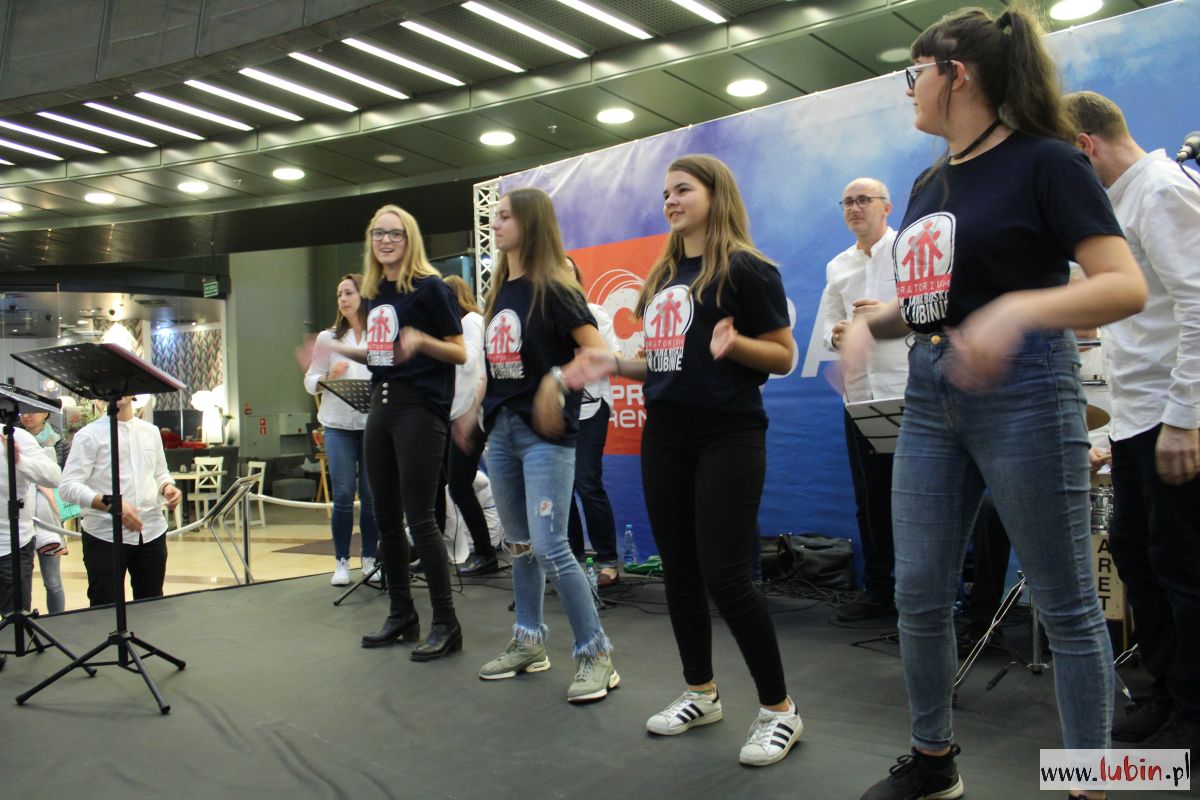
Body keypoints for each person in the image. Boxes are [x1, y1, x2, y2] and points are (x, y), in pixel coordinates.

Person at [839, 8, 1147, 799]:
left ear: (958, 75)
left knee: (1066, 605)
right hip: (931, 393)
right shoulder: (929, 182)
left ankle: (1088, 784)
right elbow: (935, 302)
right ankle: (933, 761)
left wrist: (1017, 311)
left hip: (1027, 393)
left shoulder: (1048, 161)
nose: (909, 89)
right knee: (918, 592)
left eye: (915, 73)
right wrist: (872, 324)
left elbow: (1124, 286)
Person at [566, 154, 802, 766]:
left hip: (728, 434)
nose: (670, 201)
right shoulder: (666, 277)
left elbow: (783, 355)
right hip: (665, 435)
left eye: (682, 190)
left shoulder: (747, 269)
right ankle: (701, 692)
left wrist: (737, 344)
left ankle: (780, 709)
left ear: (714, 194)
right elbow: (662, 363)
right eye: (666, 193)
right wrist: (612, 363)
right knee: (680, 570)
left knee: (726, 573)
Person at [1064, 90, 1200, 753]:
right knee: (1139, 559)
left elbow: (1199, 305)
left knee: (1184, 570)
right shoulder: (1123, 204)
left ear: (1084, 147)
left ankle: (1194, 713)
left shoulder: (1162, 190)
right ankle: (1167, 692)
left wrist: (1186, 419)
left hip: (1173, 418)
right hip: (1137, 420)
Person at [463, 186, 620, 704]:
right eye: (495, 215)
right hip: (503, 432)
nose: (495, 223)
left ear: (530, 224)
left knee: (552, 545)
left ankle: (596, 654)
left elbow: (596, 353)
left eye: (505, 216)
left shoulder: (555, 288)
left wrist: (556, 382)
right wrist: (472, 415)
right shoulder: (498, 293)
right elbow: (498, 368)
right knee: (520, 544)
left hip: (545, 436)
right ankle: (529, 642)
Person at [314, 205, 467, 661]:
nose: (385, 240)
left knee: (419, 517)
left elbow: (460, 352)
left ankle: (446, 622)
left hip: (419, 408)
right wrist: (341, 350)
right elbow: (383, 354)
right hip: (379, 407)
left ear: (409, 238)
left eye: (395, 233)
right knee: (383, 516)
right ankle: (402, 612)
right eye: (378, 233)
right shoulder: (375, 294)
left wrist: (424, 342)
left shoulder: (431, 288)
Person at [817, 177, 908, 621]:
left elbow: (933, 310)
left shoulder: (908, 250)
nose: (855, 208)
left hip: (908, 390)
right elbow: (827, 326)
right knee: (870, 498)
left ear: (886, 207)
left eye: (864, 200)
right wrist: (836, 335)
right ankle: (878, 589)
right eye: (848, 202)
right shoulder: (838, 266)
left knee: (918, 497)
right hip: (859, 396)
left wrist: (887, 317)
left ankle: (923, 593)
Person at [59, 396, 183, 606]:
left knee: (152, 606)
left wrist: (167, 487)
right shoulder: (89, 435)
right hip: (105, 535)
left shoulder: (150, 431)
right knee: (105, 607)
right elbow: (68, 486)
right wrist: (110, 503)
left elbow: (160, 473)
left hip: (151, 531)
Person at [304, 272, 380, 587]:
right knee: (345, 493)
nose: (343, 299)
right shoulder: (328, 338)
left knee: (371, 495)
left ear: (363, 295)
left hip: (373, 424)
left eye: (349, 292)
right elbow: (310, 380)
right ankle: (341, 561)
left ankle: (370, 558)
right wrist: (327, 378)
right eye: (339, 294)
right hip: (337, 425)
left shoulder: (379, 335)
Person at [565, 257, 620, 587]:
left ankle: (608, 559)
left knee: (587, 482)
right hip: (558, 412)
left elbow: (614, 359)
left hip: (591, 408)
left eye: (568, 270)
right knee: (562, 489)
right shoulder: (544, 317)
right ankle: (570, 560)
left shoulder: (595, 314)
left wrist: (584, 357)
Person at [442, 274, 498, 576]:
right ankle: (444, 550)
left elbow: (473, 363)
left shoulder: (471, 322)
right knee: (447, 485)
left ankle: (485, 552)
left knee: (459, 485)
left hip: (470, 417)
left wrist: (469, 413)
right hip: (455, 416)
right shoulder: (456, 329)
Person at [0, 425, 61, 616]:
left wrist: (20, 460)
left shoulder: (15, 436)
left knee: (14, 620)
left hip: (11, 546)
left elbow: (53, 477)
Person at [18, 410, 68, 614]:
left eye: (32, 411)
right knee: (20, 580)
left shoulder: (58, 441)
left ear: (45, 413)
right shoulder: (11, 437)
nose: (26, 416)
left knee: (52, 580)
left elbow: (65, 477)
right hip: (21, 517)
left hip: (49, 516)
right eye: (22, 412)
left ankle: (58, 621)